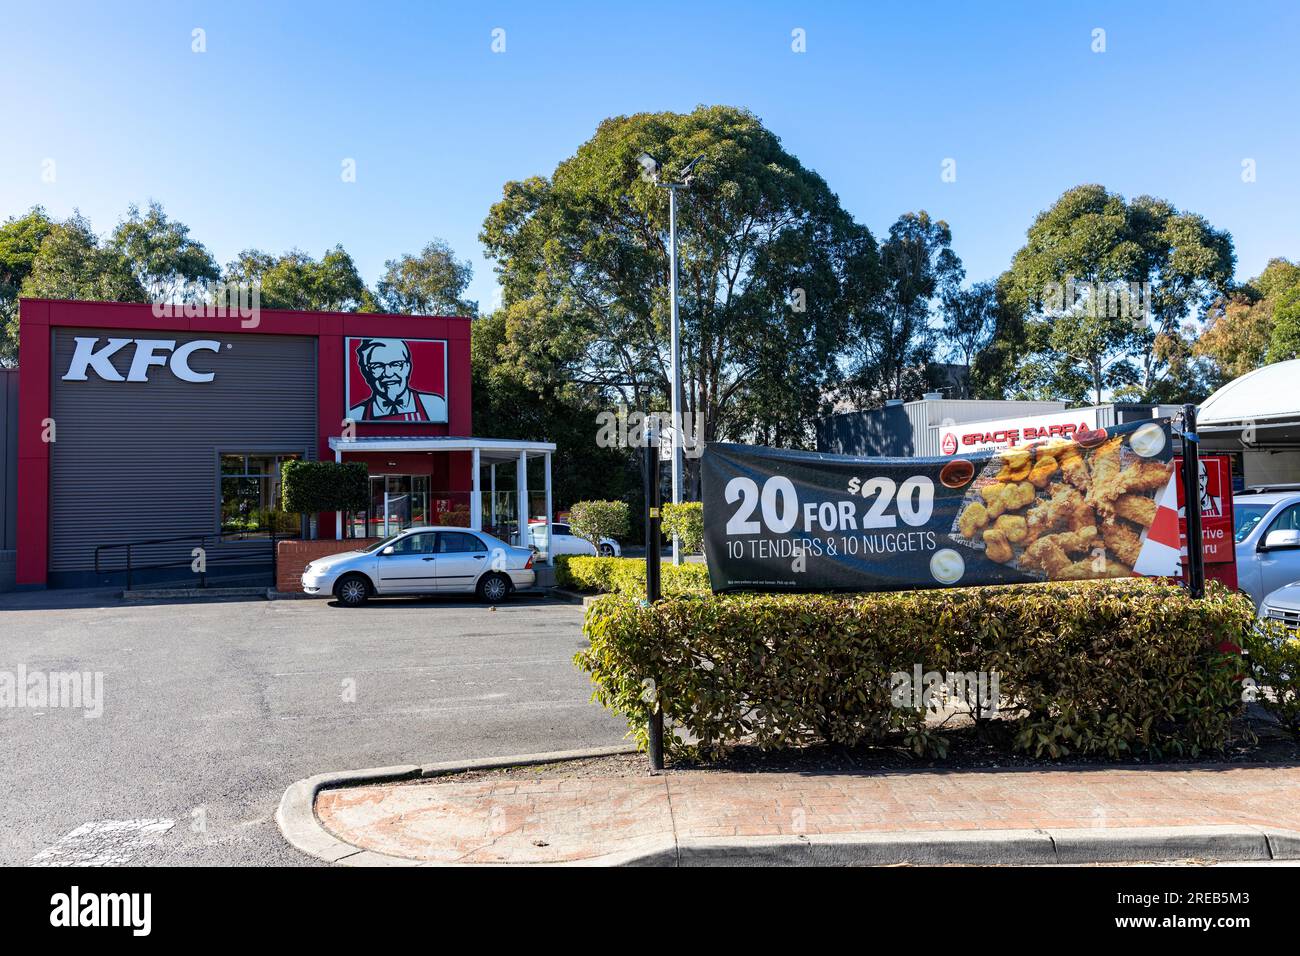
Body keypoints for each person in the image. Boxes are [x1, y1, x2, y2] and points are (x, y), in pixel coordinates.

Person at [348, 338, 446, 422]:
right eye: (377, 366)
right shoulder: (356, 414)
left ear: (408, 367)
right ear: (366, 372)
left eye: (396, 364)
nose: (388, 373)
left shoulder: (435, 404)